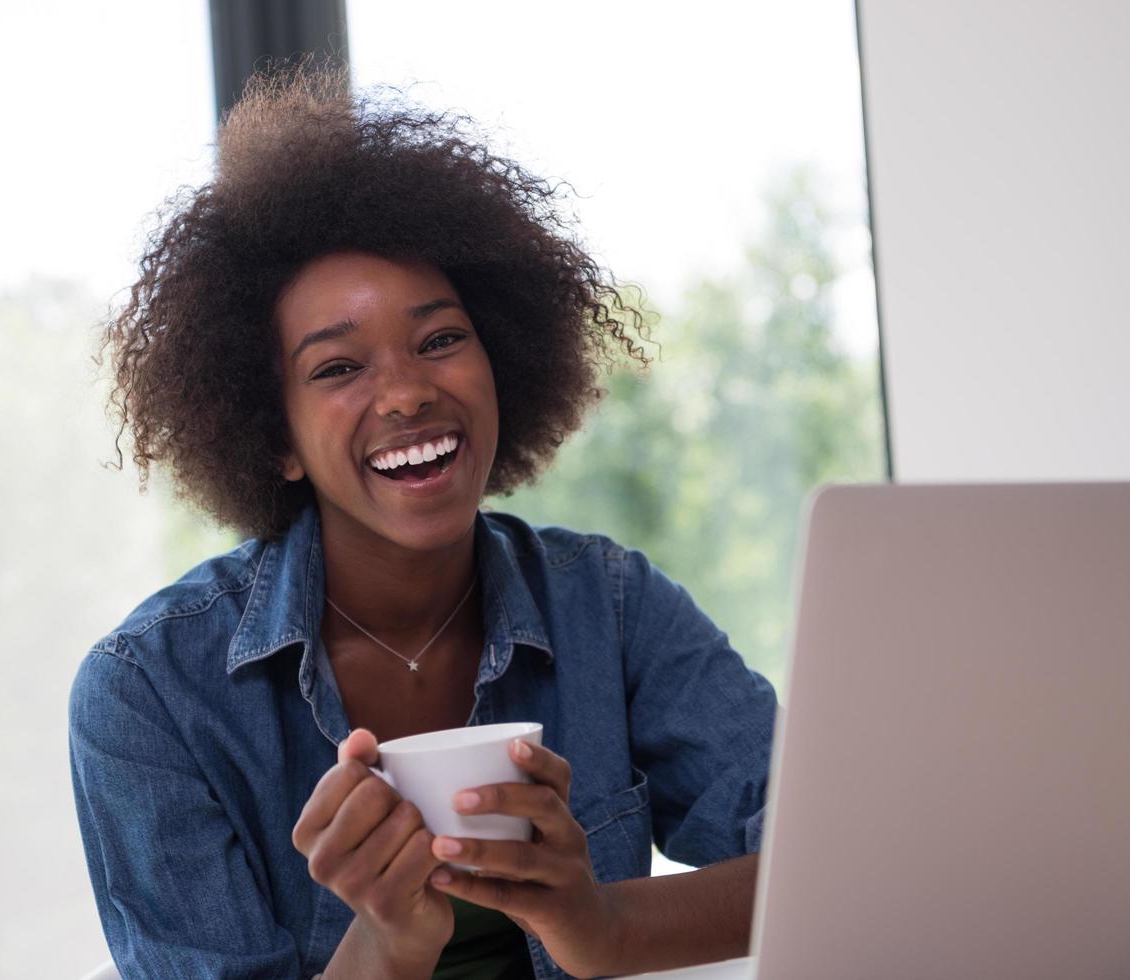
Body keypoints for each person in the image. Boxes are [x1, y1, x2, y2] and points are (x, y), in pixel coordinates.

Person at [69, 63, 778, 980]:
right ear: (271, 436)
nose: (406, 393)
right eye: (336, 369)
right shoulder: (151, 695)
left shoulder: (609, 606)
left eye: (441, 340)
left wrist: (598, 924)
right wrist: (387, 942)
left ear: (504, 365)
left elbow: (835, 865)